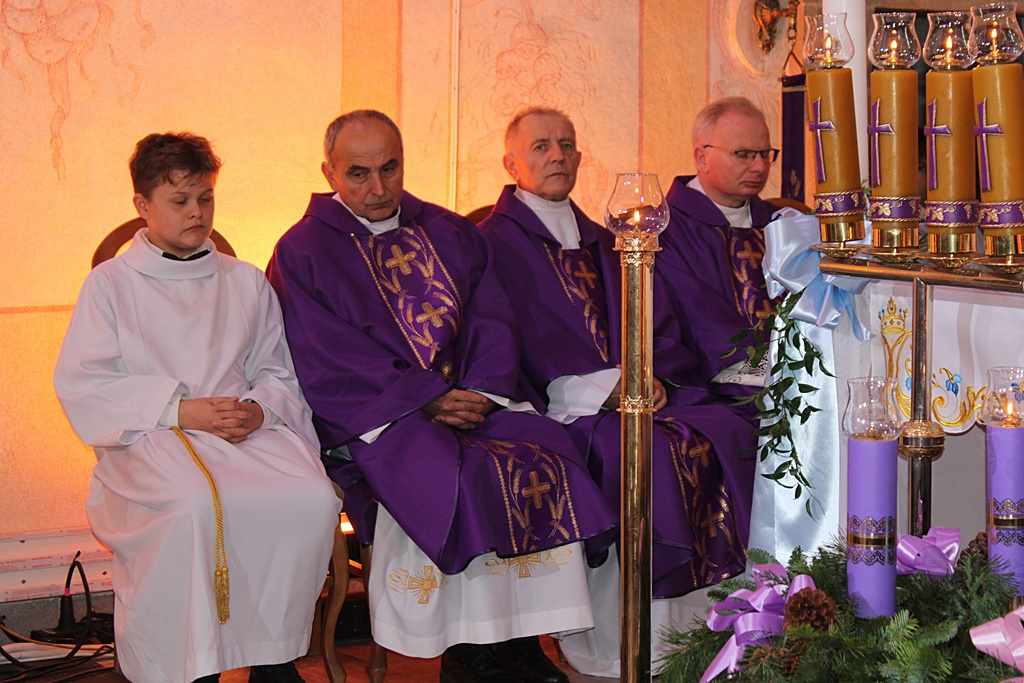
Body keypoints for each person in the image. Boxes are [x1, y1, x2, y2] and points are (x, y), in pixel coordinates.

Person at [266, 110, 617, 683]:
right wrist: (427, 398)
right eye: (358, 174)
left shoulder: (450, 232)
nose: (378, 188)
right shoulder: (303, 251)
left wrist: (479, 390)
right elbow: (323, 353)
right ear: (329, 172)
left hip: (473, 402)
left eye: (389, 169)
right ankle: (467, 649)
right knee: (457, 474)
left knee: (546, 450)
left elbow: (493, 319)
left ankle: (523, 639)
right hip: (382, 417)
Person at [477, 107, 756, 676]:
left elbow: (656, 321)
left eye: (566, 144)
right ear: (511, 163)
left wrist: (654, 375)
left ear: (581, 157)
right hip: (561, 406)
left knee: (729, 428)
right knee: (639, 449)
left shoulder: (608, 240)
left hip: (635, 393)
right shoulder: (489, 244)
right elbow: (503, 337)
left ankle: (718, 627)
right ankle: (624, 641)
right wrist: (603, 388)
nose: (557, 155)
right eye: (540, 146)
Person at [53, 133, 340, 683]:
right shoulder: (110, 285)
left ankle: (273, 655)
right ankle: (187, 665)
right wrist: (180, 411)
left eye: (206, 198)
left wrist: (258, 411)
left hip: (242, 430)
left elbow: (276, 370)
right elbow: (85, 381)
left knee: (310, 499)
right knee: (192, 506)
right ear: (142, 205)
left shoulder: (245, 281)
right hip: (152, 433)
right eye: (179, 200)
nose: (197, 212)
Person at [659, 96, 781, 406]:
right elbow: (696, 318)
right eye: (743, 154)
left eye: (765, 154)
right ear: (702, 158)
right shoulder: (664, 230)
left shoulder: (781, 225)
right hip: (715, 384)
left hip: (788, 371)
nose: (759, 167)